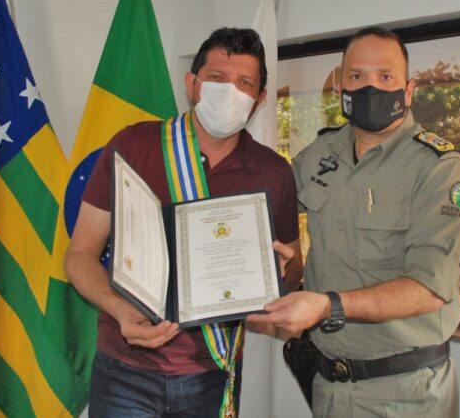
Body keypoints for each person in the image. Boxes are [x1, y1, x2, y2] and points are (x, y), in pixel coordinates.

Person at [65, 27, 303, 417]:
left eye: (245, 83)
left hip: (214, 372)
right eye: (217, 78)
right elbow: (79, 254)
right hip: (126, 370)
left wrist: (281, 271)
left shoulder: (274, 172)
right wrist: (119, 309)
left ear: (259, 100)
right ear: (192, 84)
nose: (231, 91)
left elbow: (293, 272)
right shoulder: (132, 146)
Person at [248, 27, 460, 417]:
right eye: (356, 77)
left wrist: (327, 307)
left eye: (385, 77)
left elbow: (428, 288)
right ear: (341, 90)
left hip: (404, 393)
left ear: (408, 91)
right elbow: (270, 205)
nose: (370, 87)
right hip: (328, 384)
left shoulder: (439, 170)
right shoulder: (323, 152)